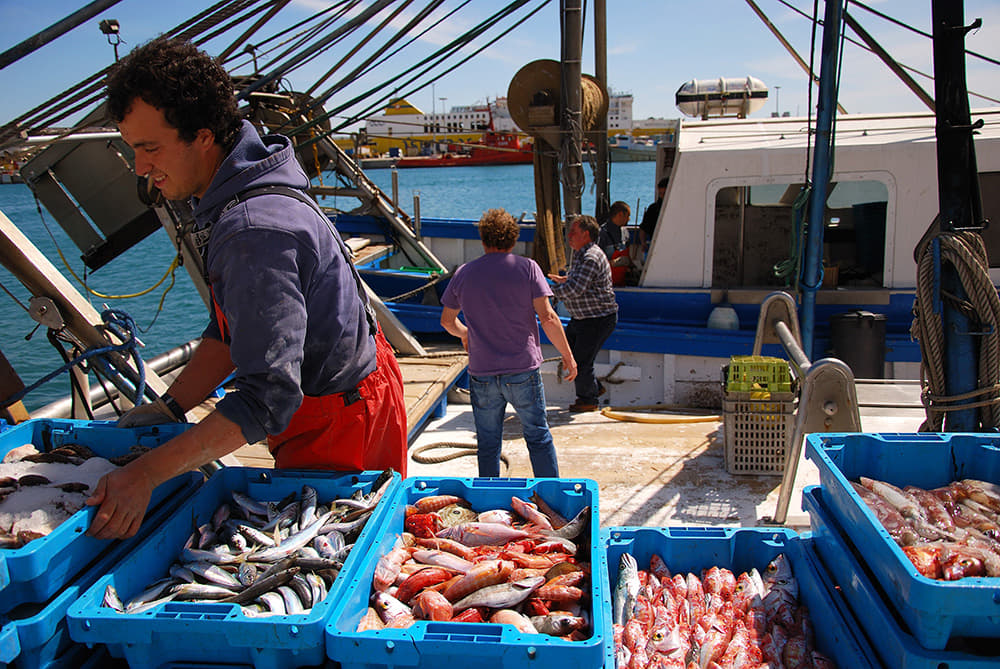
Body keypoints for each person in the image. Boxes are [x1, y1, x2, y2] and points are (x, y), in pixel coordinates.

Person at [86, 37, 407, 540]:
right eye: (133, 150)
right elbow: (232, 330)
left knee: (339, 552)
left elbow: (267, 397)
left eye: (150, 149)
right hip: (361, 388)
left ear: (204, 137)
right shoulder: (256, 181)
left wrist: (143, 475)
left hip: (337, 427)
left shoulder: (251, 230)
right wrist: (172, 406)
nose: (142, 169)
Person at [440, 208, 577, 477]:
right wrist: (568, 356)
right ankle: (549, 499)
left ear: (482, 239)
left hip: (482, 374)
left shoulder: (465, 273)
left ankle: (491, 505)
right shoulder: (528, 268)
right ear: (513, 239)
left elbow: (446, 321)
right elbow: (548, 318)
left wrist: (465, 333)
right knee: (538, 437)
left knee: (488, 445)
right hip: (523, 371)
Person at [547, 215, 618, 412]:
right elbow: (577, 281)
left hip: (597, 319)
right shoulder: (581, 254)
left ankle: (588, 400)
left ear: (586, 235)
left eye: (573, 232)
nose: (568, 236)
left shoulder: (590, 257)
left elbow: (576, 289)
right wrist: (563, 280)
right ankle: (594, 389)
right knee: (569, 352)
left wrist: (546, 292)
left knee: (580, 360)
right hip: (583, 318)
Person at [597, 201, 632, 286]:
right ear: (620, 214)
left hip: (622, 281)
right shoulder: (602, 234)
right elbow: (596, 261)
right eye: (628, 216)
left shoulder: (625, 233)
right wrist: (612, 263)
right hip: (606, 283)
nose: (629, 219)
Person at [639, 177, 669, 253]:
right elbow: (643, 228)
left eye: (664, 194)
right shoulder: (653, 209)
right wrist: (643, 243)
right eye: (660, 194)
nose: (662, 197)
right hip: (656, 246)